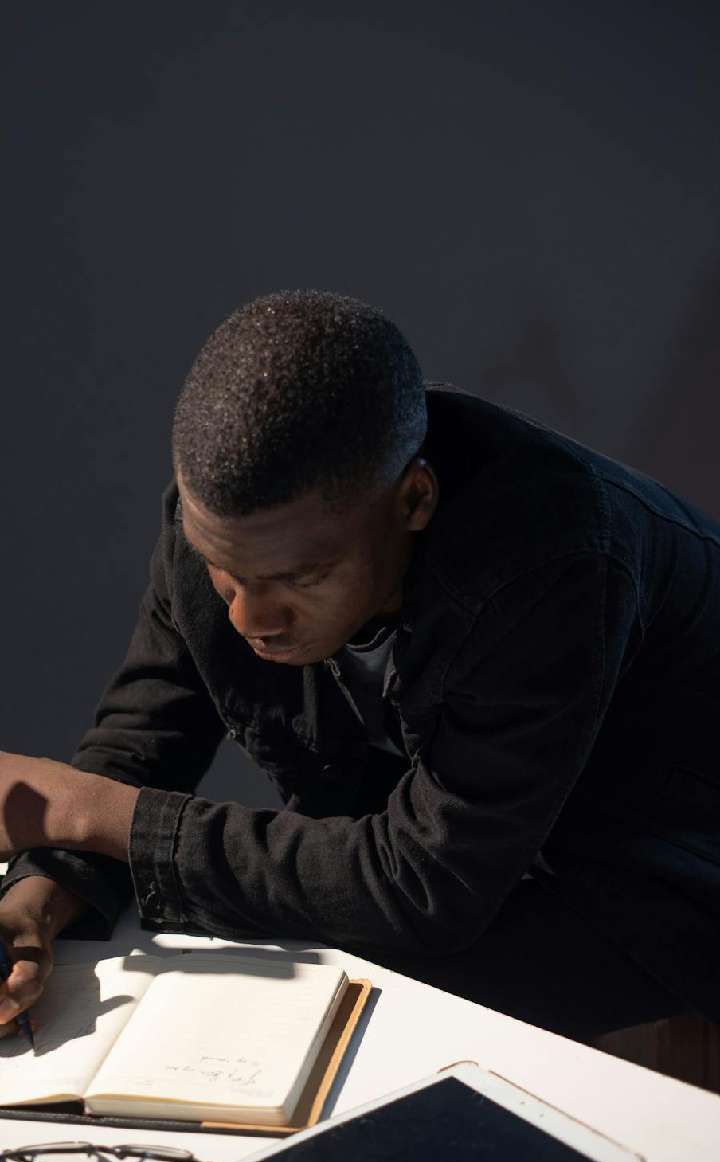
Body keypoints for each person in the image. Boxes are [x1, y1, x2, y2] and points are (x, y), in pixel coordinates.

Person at [1, 288, 719, 1046]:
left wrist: (86, 811)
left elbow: (426, 884)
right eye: (225, 571)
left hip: (662, 887)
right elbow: (142, 742)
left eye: (302, 579)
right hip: (476, 877)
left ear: (414, 500)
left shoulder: (549, 562)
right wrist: (36, 899)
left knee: (282, 1025)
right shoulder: (235, 523)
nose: (250, 618)